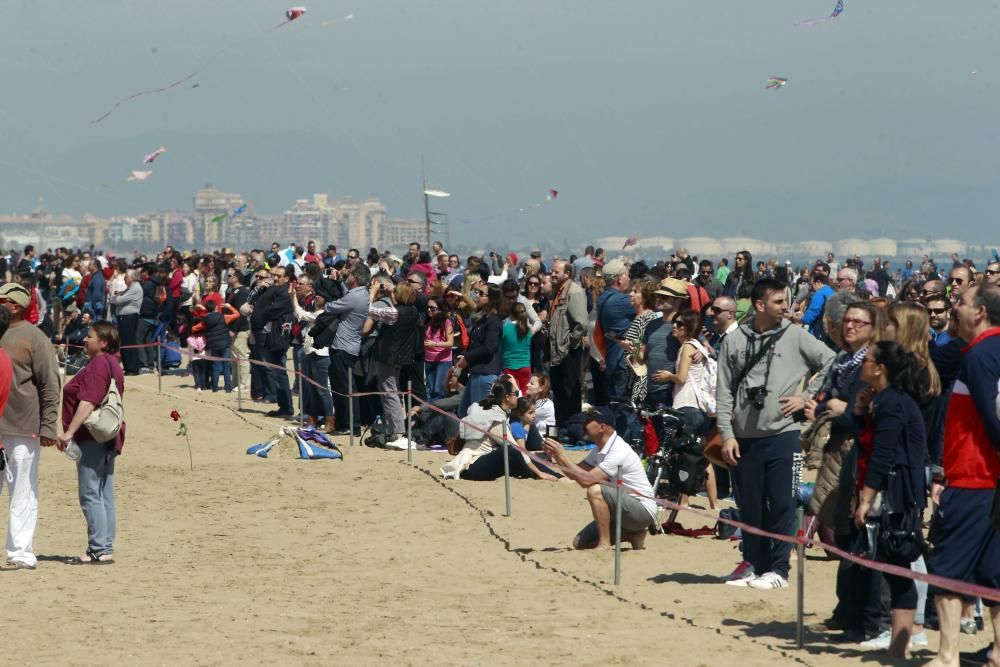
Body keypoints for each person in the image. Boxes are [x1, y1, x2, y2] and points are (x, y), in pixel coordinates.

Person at [716, 278, 835, 590]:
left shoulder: (795, 334)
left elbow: (831, 361)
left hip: (784, 433)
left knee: (782, 503)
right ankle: (754, 564)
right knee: (750, 505)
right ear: (759, 305)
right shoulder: (734, 340)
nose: (787, 308)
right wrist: (727, 434)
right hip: (744, 436)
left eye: (787, 301)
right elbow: (724, 391)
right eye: (779, 302)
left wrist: (806, 396)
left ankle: (779, 569)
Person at [927, 283, 1000, 667]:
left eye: (962, 302)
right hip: (986, 479)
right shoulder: (986, 351)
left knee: (948, 569)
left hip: (976, 478)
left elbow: (992, 418)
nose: (955, 307)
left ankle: (947, 654)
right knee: (992, 571)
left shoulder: (980, 355)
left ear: (981, 312)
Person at [852, 341, 928, 658]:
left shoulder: (894, 403)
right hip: (892, 491)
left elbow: (883, 456)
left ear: (880, 367)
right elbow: (867, 445)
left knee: (899, 568)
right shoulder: (882, 400)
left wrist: (866, 500)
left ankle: (901, 646)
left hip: (898, 496)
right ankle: (899, 647)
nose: (862, 364)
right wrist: (860, 412)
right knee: (892, 568)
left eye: (867, 360)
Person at [0, 282, 60, 569]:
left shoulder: (35, 338)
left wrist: (49, 426)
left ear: (15, 306)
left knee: (23, 491)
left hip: (24, 426)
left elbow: (50, 385)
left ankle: (20, 551)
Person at [55, 322, 126, 565]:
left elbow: (88, 400)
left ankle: (98, 547)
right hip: (108, 437)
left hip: (93, 437)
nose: (85, 339)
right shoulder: (113, 363)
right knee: (103, 492)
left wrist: (69, 432)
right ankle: (104, 546)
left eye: (90, 335)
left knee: (90, 493)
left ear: (104, 342)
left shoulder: (99, 364)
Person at [542, 407, 657, 550]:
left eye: (588, 421)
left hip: (642, 511)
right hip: (620, 509)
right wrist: (556, 456)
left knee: (595, 490)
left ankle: (604, 543)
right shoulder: (599, 448)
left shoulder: (619, 451)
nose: (583, 425)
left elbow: (586, 481)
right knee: (580, 543)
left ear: (602, 427)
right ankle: (632, 535)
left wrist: (563, 456)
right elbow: (575, 473)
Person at [365, 279, 421, 449]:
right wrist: (391, 293)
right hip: (402, 357)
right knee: (393, 391)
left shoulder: (394, 313)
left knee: (389, 393)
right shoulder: (413, 311)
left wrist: (372, 294)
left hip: (388, 356)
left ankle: (397, 431)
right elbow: (397, 307)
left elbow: (371, 311)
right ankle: (393, 428)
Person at [325, 262, 371, 435]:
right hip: (345, 346)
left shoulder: (356, 296)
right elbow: (346, 295)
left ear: (356, 278)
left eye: (350, 273)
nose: (347, 275)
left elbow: (331, 307)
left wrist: (326, 294)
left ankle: (352, 425)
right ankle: (344, 424)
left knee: (346, 389)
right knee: (340, 387)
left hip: (344, 348)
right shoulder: (359, 293)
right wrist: (339, 283)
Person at [548, 260, 588, 423]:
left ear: (567, 274)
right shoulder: (559, 292)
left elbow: (581, 323)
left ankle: (572, 427)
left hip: (568, 352)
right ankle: (561, 428)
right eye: (552, 271)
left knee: (570, 392)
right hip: (557, 352)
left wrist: (570, 342)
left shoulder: (574, 292)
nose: (552, 274)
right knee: (559, 394)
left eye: (556, 272)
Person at [456, 283, 503, 418]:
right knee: (464, 412)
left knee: (479, 416)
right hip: (477, 372)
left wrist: (468, 357)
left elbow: (489, 348)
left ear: (492, 298)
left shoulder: (493, 321)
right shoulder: (482, 318)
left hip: (486, 373)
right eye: (477, 292)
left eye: (482, 294)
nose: (477, 295)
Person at [597, 259, 636, 399]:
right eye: (627, 275)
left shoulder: (603, 298)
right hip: (622, 362)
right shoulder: (620, 301)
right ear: (620, 279)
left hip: (611, 358)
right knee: (622, 407)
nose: (629, 278)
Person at [621, 276, 660, 405]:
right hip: (632, 375)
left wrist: (629, 346)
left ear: (645, 296)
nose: (630, 294)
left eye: (635, 291)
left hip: (641, 379)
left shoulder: (648, 318)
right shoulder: (637, 317)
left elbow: (644, 346)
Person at [110, 268, 142, 375]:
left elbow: (118, 300)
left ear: (132, 278)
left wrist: (117, 297)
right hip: (124, 318)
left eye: (126, 277)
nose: (124, 279)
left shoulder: (135, 288)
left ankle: (132, 368)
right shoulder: (129, 288)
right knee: (124, 343)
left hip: (129, 318)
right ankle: (128, 367)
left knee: (129, 343)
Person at [423, 297, 454, 402]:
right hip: (429, 360)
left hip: (443, 361)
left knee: (439, 389)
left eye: (432, 308)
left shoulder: (446, 322)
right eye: (428, 308)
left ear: (440, 309)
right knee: (430, 389)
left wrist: (434, 344)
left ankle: (440, 413)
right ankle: (432, 415)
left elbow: (450, 343)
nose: (429, 310)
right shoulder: (428, 321)